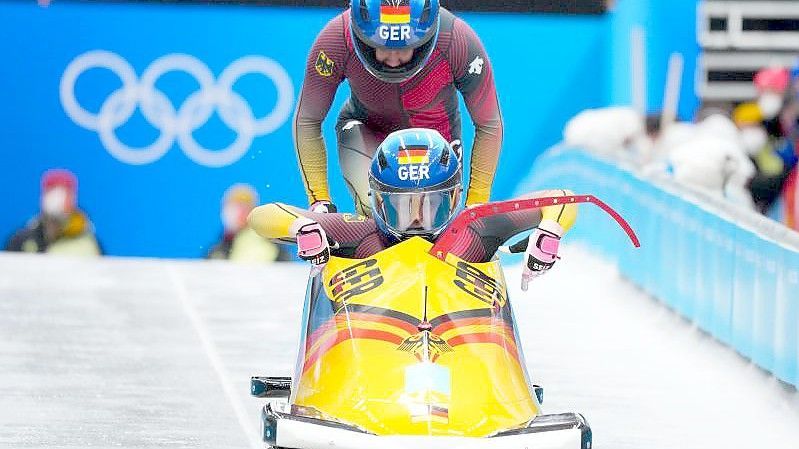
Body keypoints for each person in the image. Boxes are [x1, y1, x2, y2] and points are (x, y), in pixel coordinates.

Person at [250, 129, 577, 290]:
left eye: (430, 204)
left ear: (453, 198)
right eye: (402, 206)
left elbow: (561, 197)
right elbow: (262, 216)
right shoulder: (359, 231)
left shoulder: (477, 229)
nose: (417, 218)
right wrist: (303, 229)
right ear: (378, 202)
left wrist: (550, 231)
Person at [294, 0, 502, 216]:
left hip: (436, 140)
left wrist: (476, 204)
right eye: (381, 47)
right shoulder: (335, 39)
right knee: (378, 210)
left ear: (427, 37)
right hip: (367, 130)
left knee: (430, 217)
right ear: (359, 36)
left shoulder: (457, 40)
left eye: (405, 48)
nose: (393, 61)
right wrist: (320, 201)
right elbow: (308, 120)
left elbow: (488, 123)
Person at [4, 169, 102, 256]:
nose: (57, 199)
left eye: (64, 193)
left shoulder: (88, 242)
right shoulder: (22, 239)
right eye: (51, 191)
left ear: (73, 198)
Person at [207, 184, 291, 262]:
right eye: (229, 206)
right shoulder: (219, 248)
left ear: (250, 212)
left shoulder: (262, 244)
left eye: (239, 207)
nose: (232, 213)